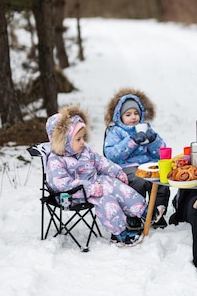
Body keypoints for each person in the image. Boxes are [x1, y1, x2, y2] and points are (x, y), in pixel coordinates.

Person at [45, 104, 148, 247]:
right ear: (64, 141)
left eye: (83, 138)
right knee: (104, 197)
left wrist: (117, 172)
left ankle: (142, 209)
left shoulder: (85, 151)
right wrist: (88, 188)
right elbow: (60, 184)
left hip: (95, 183)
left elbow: (101, 162)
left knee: (113, 184)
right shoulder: (56, 160)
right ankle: (120, 233)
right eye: (78, 139)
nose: (83, 142)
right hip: (73, 194)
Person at [103, 88, 170, 229]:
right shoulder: (116, 132)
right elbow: (112, 154)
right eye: (128, 114)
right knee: (137, 181)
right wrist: (132, 141)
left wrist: (154, 140)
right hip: (126, 166)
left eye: (136, 113)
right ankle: (134, 215)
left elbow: (161, 152)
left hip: (148, 164)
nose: (133, 117)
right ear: (119, 116)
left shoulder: (145, 128)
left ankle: (157, 212)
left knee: (162, 178)